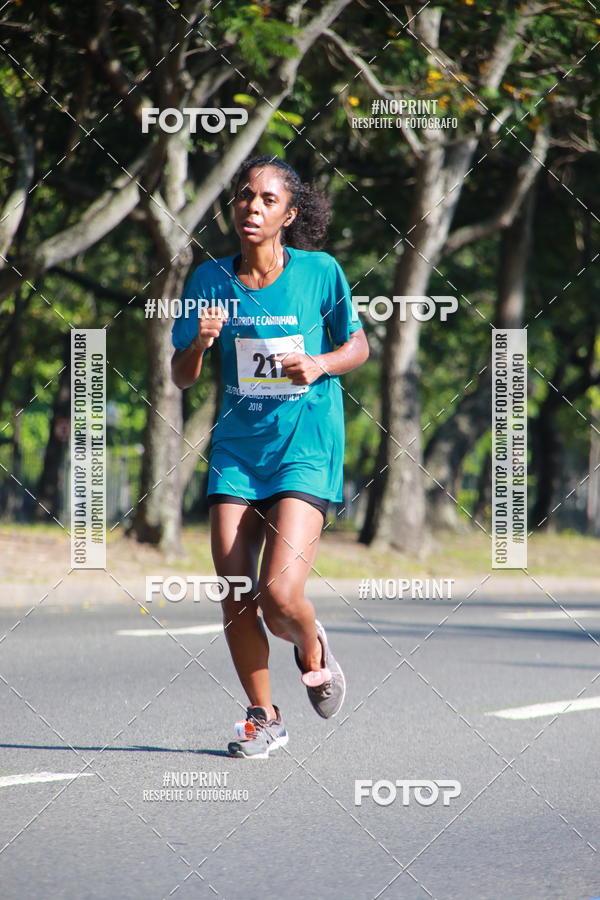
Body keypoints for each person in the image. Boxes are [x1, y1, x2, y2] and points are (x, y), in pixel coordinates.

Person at [171, 155, 369, 758]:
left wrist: (319, 363)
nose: (250, 208)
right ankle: (263, 717)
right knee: (235, 589)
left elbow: (356, 345)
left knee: (281, 598)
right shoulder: (208, 280)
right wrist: (202, 343)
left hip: (305, 447)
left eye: (265, 200)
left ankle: (311, 643)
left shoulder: (320, 273)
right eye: (242, 197)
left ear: (290, 213)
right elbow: (180, 376)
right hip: (238, 450)